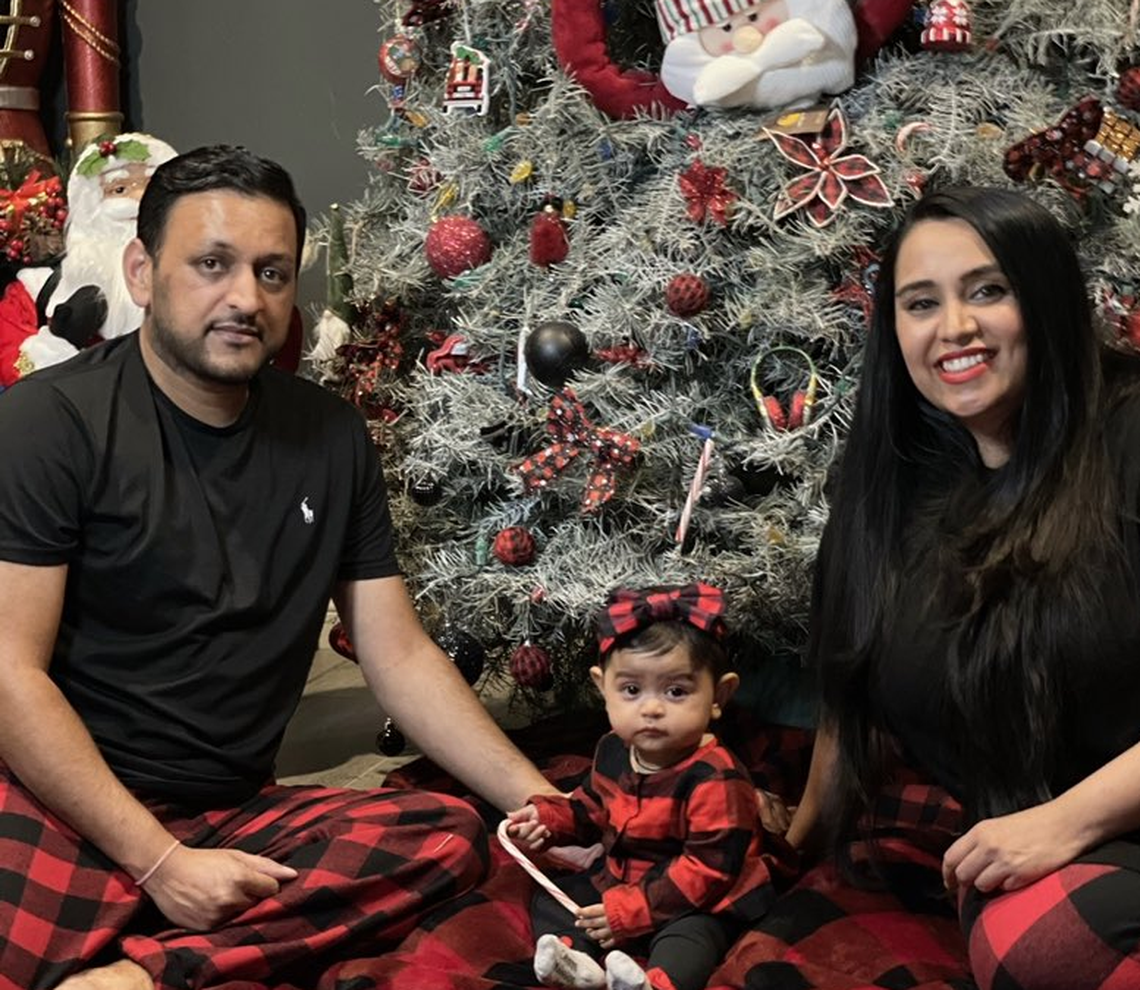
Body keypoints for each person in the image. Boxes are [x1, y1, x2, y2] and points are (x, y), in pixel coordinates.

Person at [0, 144, 556, 990]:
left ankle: (147, 972)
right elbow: (9, 675)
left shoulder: (331, 437)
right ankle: (174, 920)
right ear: (142, 272)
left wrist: (535, 800)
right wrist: (157, 864)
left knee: (446, 836)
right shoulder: (50, 421)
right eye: (212, 264)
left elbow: (397, 655)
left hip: (232, 812)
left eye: (271, 273)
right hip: (56, 798)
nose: (245, 299)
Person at [784, 186, 1140, 989]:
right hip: (1051, 859)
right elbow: (852, 690)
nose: (955, 329)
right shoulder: (888, 490)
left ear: (1043, 299)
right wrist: (789, 845)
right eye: (921, 303)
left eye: (988, 290)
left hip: (1083, 823)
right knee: (1040, 939)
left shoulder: (1129, 432)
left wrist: (1061, 822)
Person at [507, 584, 779, 990]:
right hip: (621, 879)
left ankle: (653, 983)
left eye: (676, 691)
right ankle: (576, 963)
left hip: (697, 897)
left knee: (692, 941)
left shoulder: (716, 778)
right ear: (603, 689)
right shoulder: (613, 749)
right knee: (556, 899)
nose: (651, 708)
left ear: (719, 696)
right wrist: (548, 819)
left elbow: (708, 870)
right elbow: (591, 806)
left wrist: (633, 909)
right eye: (631, 690)